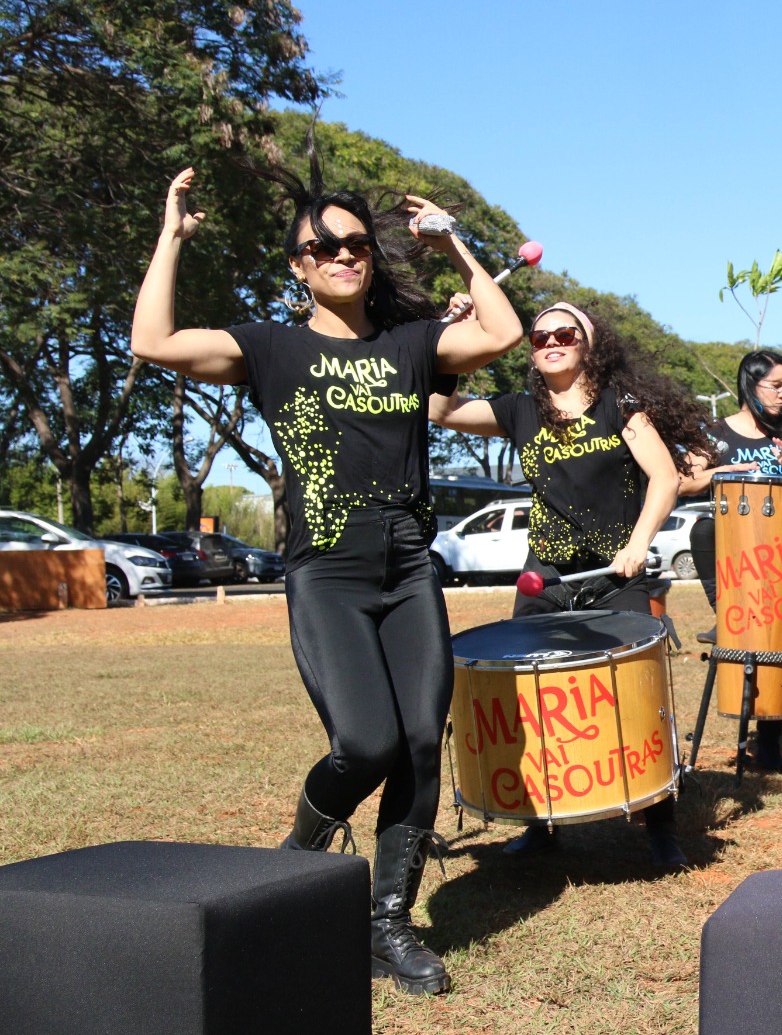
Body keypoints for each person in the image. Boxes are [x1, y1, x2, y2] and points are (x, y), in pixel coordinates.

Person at [131, 164, 524, 995]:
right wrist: (170, 237)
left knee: (420, 743)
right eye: (324, 247)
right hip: (329, 572)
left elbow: (501, 333)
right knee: (366, 744)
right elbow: (153, 343)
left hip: (410, 566)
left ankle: (386, 923)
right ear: (299, 267)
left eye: (356, 244)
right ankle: (294, 864)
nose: (344, 255)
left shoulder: (410, 343)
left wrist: (454, 241)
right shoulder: (270, 346)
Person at [429, 300, 710, 867]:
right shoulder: (517, 409)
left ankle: (660, 824)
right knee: (528, 698)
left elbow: (663, 476)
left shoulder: (619, 405)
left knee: (640, 699)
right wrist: (451, 333)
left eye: (565, 333)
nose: (551, 342)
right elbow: (440, 410)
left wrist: (637, 542)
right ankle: (542, 821)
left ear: (590, 344)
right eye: (540, 336)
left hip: (615, 575)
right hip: (549, 577)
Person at [679, 350, 782, 770]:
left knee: (773, 647)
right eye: (776, 385)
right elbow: (686, 480)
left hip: (781, 558)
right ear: (750, 383)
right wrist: (724, 472)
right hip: (735, 561)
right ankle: (724, 614)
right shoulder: (717, 433)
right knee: (701, 531)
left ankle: (770, 744)